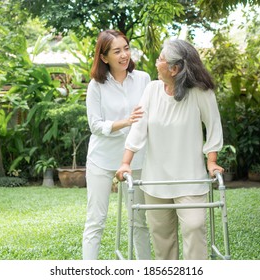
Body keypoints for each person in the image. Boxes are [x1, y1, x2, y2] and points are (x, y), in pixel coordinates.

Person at [116, 39, 224, 260]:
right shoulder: (152, 90)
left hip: (190, 179)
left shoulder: (201, 93)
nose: (156, 63)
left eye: (161, 59)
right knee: (162, 238)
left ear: (174, 69)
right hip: (156, 180)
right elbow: (139, 128)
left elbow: (213, 126)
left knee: (194, 227)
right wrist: (125, 162)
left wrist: (211, 161)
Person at [82, 29, 151, 260]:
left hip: (136, 158)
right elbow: (95, 125)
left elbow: (149, 117)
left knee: (139, 219)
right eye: (117, 51)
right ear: (104, 57)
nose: (124, 55)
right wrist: (125, 122)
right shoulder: (96, 85)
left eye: (127, 48)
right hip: (101, 159)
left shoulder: (143, 79)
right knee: (96, 220)